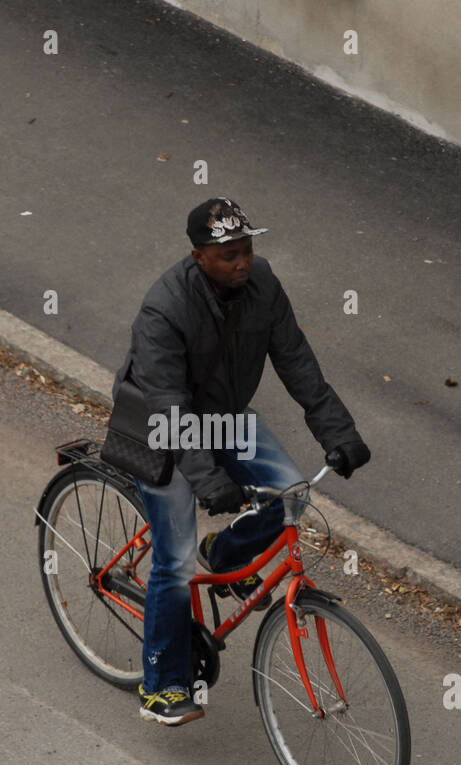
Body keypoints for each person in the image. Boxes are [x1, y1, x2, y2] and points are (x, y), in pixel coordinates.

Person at [112, 197, 370, 725]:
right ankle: (162, 685)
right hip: (164, 429)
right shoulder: (164, 309)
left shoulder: (264, 285)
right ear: (199, 257)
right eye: (228, 254)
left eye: (247, 249)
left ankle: (227, 553)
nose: (242, 262)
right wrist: (208, 479)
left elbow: (296, 361)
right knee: (175, 563)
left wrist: (339, 433)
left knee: (291, 494)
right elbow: (168, 407)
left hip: (224, 415)